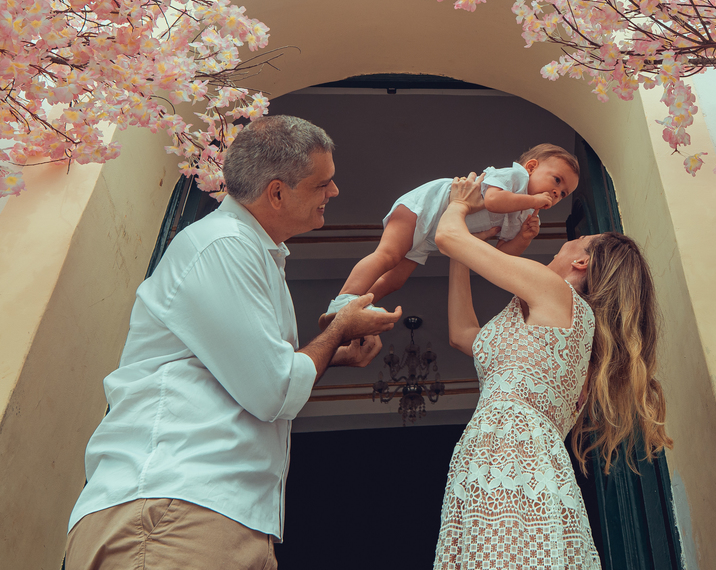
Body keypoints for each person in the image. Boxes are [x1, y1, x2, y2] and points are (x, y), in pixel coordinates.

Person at [65, 115, 403, 570]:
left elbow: (261, 378)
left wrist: (332, 357)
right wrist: (338, 328)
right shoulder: (223, 246)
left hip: (209, 514)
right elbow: (274, 391)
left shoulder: (249, 253)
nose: (335, 192)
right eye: (324, 183)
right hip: (175, 509)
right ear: (277, 193)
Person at [430, 173, 672, 570]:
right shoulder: (569, 335)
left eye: (572, 242)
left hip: (509, 448)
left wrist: (459, 205)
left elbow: (446, 236)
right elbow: (462, 335)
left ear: (581, 261)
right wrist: (462, 255)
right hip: (510, 451)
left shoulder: (553, 290)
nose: (563, 245)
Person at [323, 144, 580, 318]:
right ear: (532, 167)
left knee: (397, 279)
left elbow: (503, 254)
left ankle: (356, 309)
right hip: (428, 205)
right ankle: (343, 300)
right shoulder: (515, 178)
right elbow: (493, 201)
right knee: (389, 255)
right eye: (556, 180)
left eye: (563, 193)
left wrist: (524, 238)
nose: (557, 193)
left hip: (435, 234)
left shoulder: (524, 215)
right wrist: (534, 201)